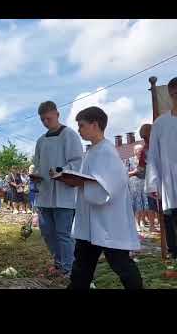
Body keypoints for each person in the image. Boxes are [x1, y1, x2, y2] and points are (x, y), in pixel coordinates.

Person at [67, 106, 143, 289]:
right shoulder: (92, 151)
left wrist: (81, 183)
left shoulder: (107, 151)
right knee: (82, 266)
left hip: (107, 222)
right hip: (90, 221)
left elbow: (110, 186)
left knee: (121, 264)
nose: (79, 130)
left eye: (82, 125)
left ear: (95, 125)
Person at [33, 101, 84, 277]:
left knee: (63, 233)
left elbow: (77, 161)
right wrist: (37, 175)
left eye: (48, 118)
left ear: (57, 114)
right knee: (47, 232)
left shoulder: (69, 135)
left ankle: (68, 268)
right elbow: (37, 164)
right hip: (46, 193)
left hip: (64, 194)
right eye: (42, 120)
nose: (46, 122)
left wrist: (60, 171)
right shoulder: (41, 141)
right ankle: (59, 262)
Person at [147, 77, 177, 260]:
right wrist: (153, 182)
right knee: (173, 217)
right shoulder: (160, 123)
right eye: (174, 93)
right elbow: (154, 155)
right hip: (170, 179)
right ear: (170, 94)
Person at [138, 124, 158, 232]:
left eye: (145, 137)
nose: (144, 140)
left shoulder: (161, 144)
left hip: (163, 183)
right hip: (151, 183)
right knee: (152, 206)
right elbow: (141, 169)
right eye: (143, 138)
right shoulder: (144, 149)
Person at [127, 144, 149, 232]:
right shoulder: (130, 160)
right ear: (134, 151)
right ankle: (136, 223)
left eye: (141, 150)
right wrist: (134, 172)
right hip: (134, 183)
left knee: (144, 203)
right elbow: (125, 173)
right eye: (138, 150)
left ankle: (141, 221)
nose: (140, 151)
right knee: (136, 203)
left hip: (144, 182)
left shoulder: (145, 160)